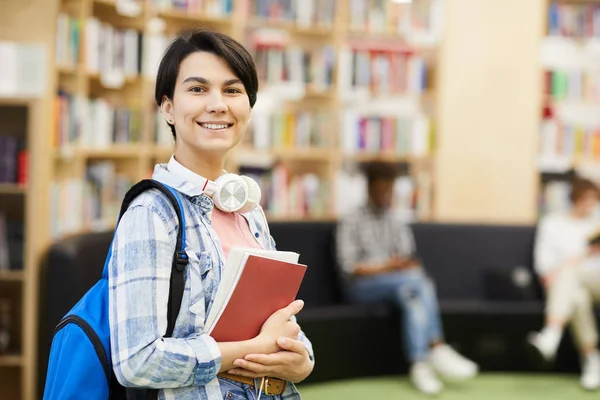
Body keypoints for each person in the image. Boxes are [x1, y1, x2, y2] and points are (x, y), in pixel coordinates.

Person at [107, 29, 314, 399]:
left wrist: (302, 361)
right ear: (168, 107)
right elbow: (136, 361)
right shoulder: (151, 213)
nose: (217, 104)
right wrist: (242, 352)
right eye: (198, 89)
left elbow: (283, 328)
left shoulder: (250, 213)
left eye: (232, 90)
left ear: (248, 106)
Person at [335, 161, 478, 395]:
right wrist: (387, 267)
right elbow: (350, 268)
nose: (385, 196)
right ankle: (437, 346)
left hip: (399, 285)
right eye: (381, 190)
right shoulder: (351, 220)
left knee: (412, 296)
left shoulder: (396, 219)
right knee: (417, 282)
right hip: (361, 288)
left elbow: (409, 259)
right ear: (369, 188)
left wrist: (401, 266)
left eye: (389, 191)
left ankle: (420, 364)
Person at [528, 177, 600, 390]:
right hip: (567, 286)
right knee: (577, 298)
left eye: (594, 201)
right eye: (586, 200)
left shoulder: (597, 223)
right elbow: (543, 266)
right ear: (574, 199)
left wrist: (582, 256)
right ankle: (592, 362)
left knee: (570, 269)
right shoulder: (552, 224)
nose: (590, 206)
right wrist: (581, 256)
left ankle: (551, 333)